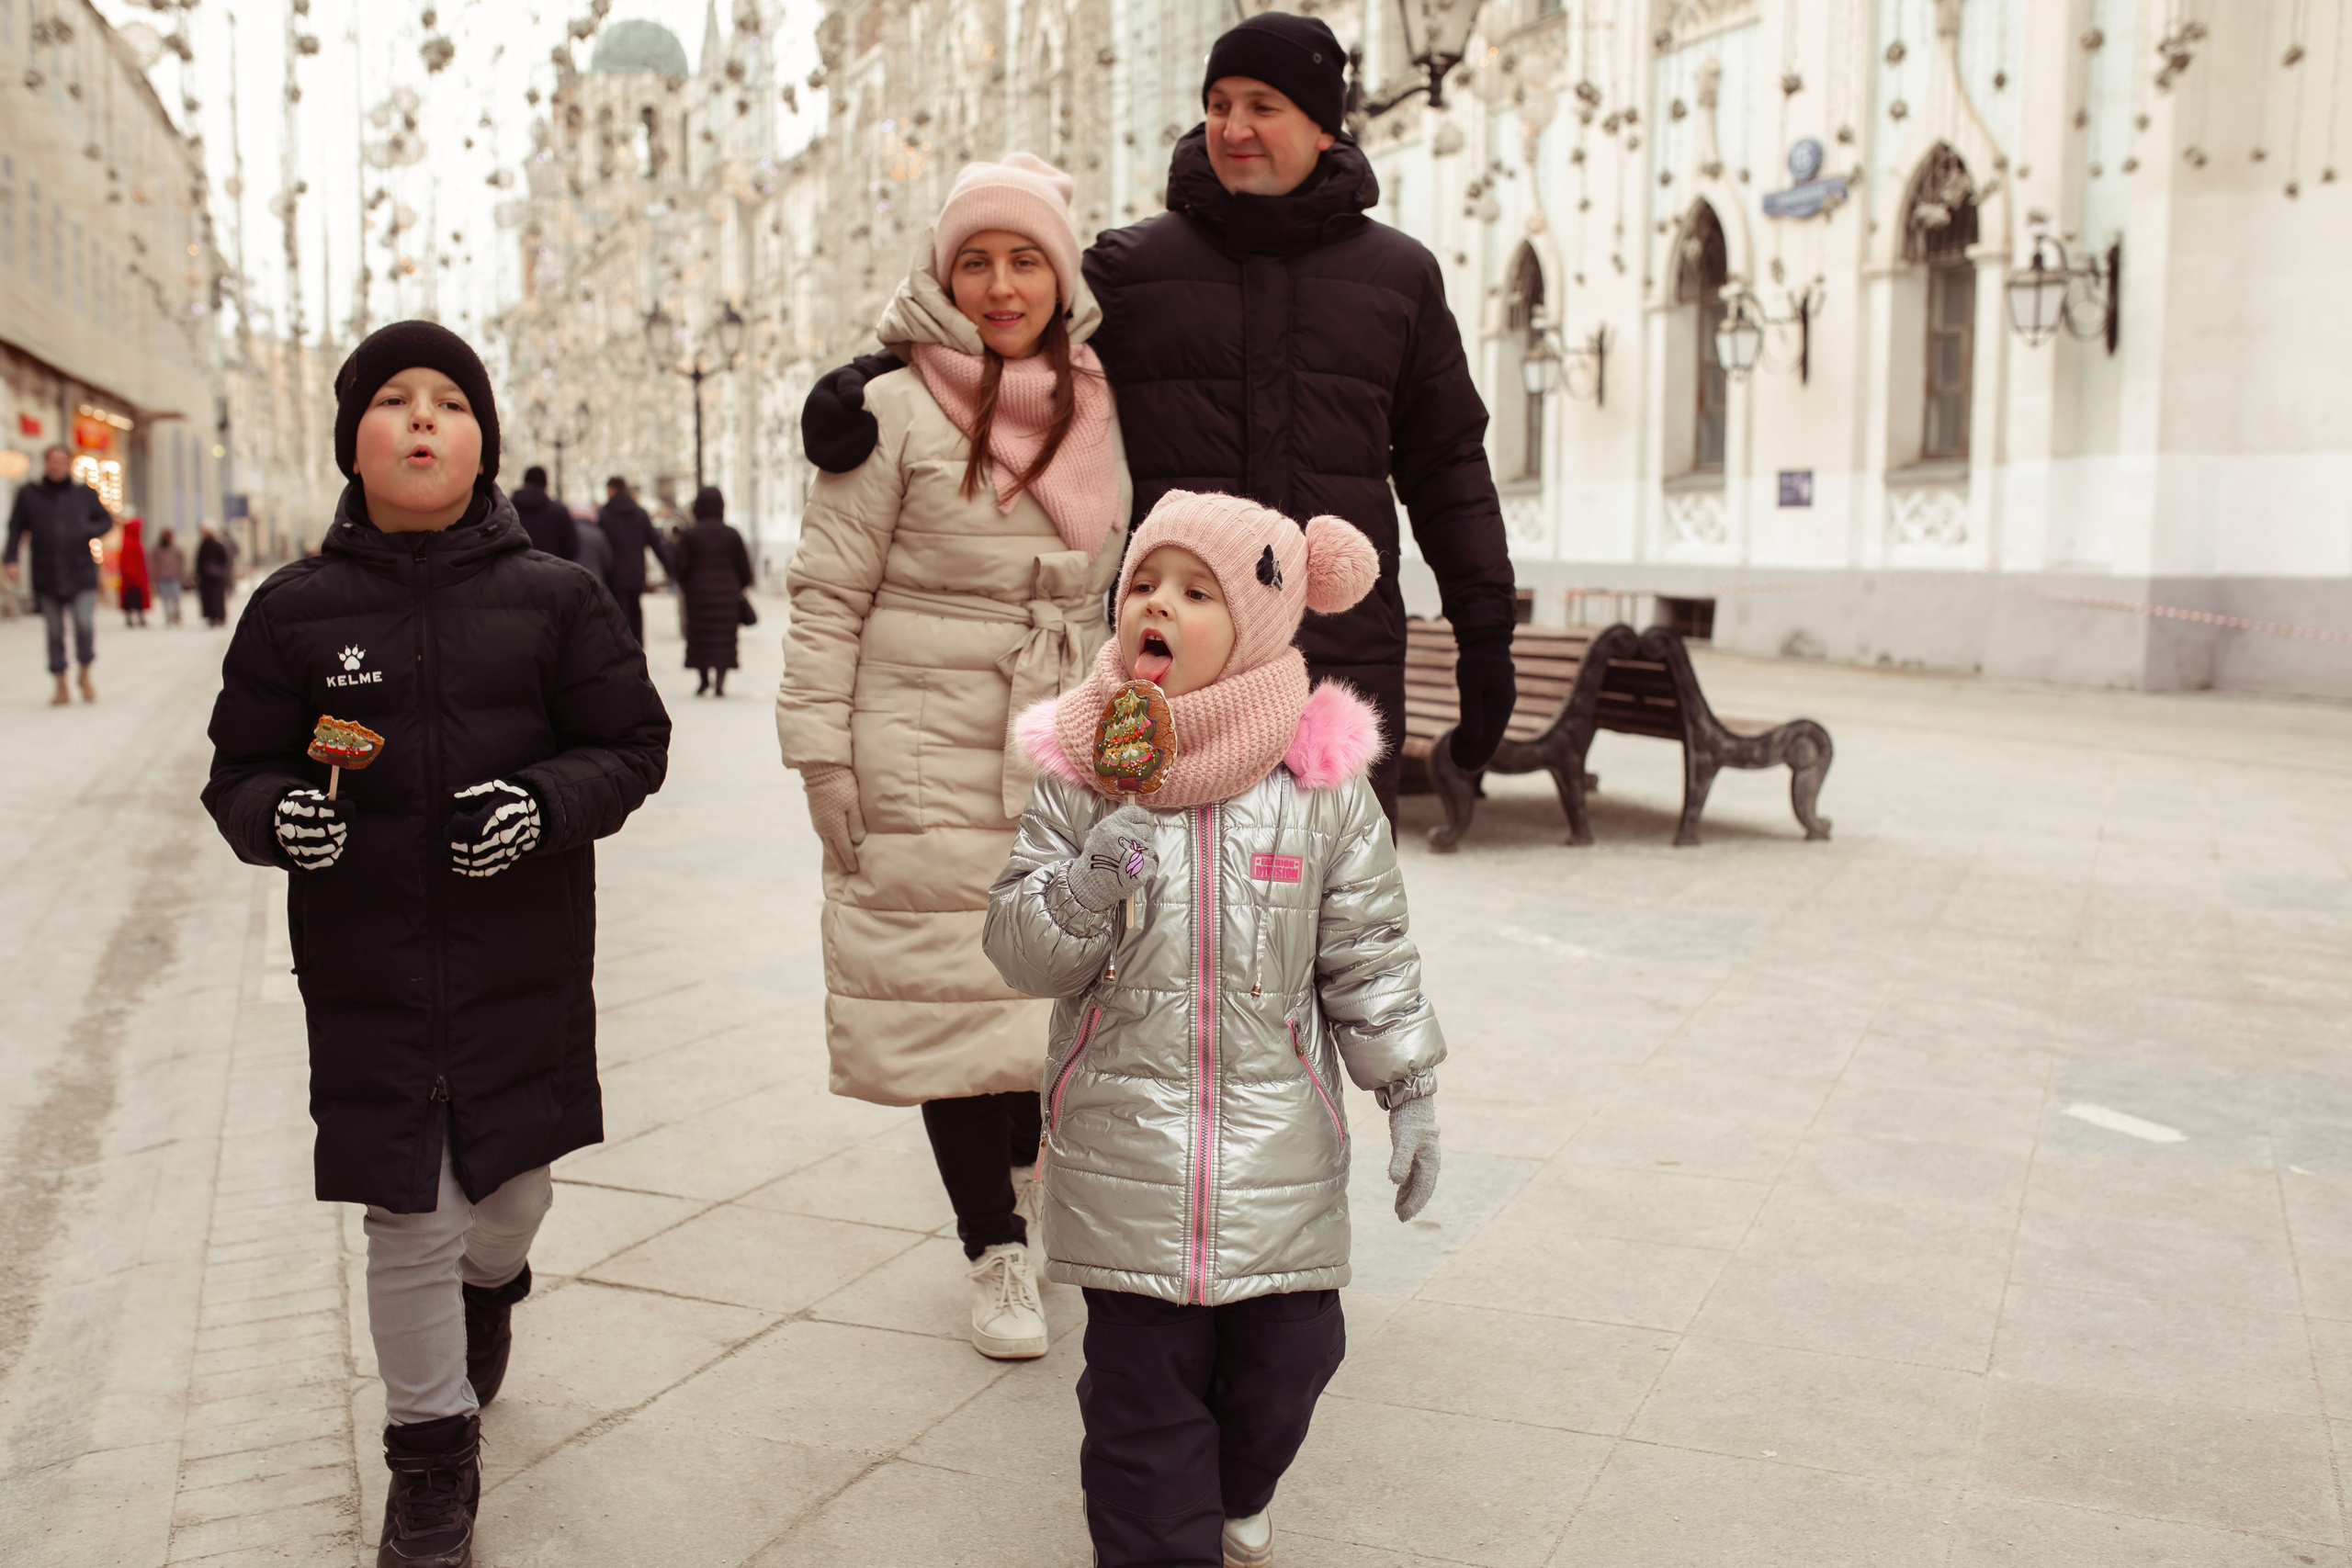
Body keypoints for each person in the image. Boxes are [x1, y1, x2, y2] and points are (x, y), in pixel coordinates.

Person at [199, 321, 671, 1568]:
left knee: (510, 1190)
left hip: (523, 962)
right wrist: (273, 815)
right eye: (392, 400)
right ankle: (429, 1464)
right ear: (353, 440)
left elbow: (631, 745)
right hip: (369, 974)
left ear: (483, 442)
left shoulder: (557, 597)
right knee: (406, 1208)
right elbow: (238, 770)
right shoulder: (295, 613)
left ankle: (491, 1285)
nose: (421, 418)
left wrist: (542, 804)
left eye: (448, 401)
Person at [802, 12, 1518, 825]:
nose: (1234, 127)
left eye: (1263, 105)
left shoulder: (1400, 278)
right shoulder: (1133, 270)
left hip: (1335, 661)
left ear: (1324, 127)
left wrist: (1485, 633)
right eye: (1218, 103)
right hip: (1168, 677)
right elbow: (1010, 332)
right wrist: (871, 376)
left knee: (1336, 917)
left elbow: (1448, 465)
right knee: (1167, 926)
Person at [986, 489, 1444, 1568]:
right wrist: (1089, 880)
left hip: (1276, 1142)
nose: (1159, 605)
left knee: (1292, 1356)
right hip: (1125, 1147)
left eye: (1197, 592)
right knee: (1141, 1404)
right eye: (1143, 582)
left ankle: (1240, 1484)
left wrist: (1408, 1088)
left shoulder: (1319, 785)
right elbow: (1019, 948)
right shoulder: (1085, 771)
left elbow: (1368, 949)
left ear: (1261, 623)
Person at [776, 152, 1128, 1362]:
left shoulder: (1099, 396)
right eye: (973, 258)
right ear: (940, 270)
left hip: (1061, 738)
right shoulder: (886, 411)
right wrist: (821, 756)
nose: (998, 282)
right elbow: (826, 594)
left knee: (1049, 1000)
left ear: (1060, 271)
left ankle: (1026, 1203)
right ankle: (993, 1248)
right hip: (919, 745)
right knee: (946, 1002)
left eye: (1023, 256)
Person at [5, 445, 113, 705]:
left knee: (84, 625)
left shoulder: (83, 494)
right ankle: (61, 684)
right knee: (54, 632)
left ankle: (85, 674)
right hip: (46, 573)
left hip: (81, 571)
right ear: (46, 462)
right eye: (52, 461)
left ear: (68, 464)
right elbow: (15, 529)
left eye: (61, 461)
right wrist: (11, 560)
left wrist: (87, 529)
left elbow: (106, 520)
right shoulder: (29, 494)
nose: (57, 465)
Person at [672, 486, 752, 696]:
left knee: (700, 638)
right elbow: (745, 569)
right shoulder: (732, 534)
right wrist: (738, 586)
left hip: (698, 595)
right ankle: (720, 682)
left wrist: (687, 585)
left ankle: (703, 680)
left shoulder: (690, 535)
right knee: (724, 639)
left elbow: (680, 568)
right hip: (726, 595)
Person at [595, 476, 668, 644]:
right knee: (636, 611)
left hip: (614, 573)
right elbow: (655, 543)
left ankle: (622, 649)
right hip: (636, 573)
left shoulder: (605, 514)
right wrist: (670, 567)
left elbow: (601, 545)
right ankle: (638, 649)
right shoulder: (640, 513)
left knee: (618, 614)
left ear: (611, 490)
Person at [508, 464, 578, 560]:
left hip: (513, 570)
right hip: (551, 570)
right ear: (545, 484)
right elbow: (571, 548)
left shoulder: (508, 509)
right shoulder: (559, 512)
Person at [195, 520, 235, 626]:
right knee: (208, 599)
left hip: (216, 578)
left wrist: (218, 569)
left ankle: (219, 617)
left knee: (217, 599)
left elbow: (224, 560)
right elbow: (199, 561)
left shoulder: (217, 545)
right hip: (206, 578)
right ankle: (211, 617)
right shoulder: (203, 545)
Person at [118, 516, 151, 626]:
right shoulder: (129, 543)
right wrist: (132, 575)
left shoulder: (134, 541)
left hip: (138, 577)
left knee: (138, 599)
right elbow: (127, 562)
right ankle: (132, 619)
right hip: (133, 578)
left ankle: (139, 618)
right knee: (132, 599)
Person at [151, 526, 188, 626]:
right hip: (162, 577)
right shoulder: (158, 550)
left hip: (174, 577)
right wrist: (155, 575)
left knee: (176, 598)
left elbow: (182, 562)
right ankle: (168, 615)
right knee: (165, 599)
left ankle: (176, 614)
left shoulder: (176, 549)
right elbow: (153, 563)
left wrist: (180, 574)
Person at [571, 504, 613, 588]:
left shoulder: (567, 534)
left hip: (571, 577)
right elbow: (607, 559)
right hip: (594, 578)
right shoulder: (599, 533)